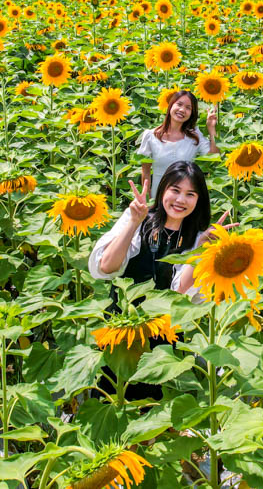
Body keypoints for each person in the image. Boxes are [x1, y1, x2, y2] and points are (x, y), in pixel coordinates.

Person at [89, 161, 234, 401]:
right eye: (175, 190)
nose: (180, 200)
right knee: (113, 395)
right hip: (122, 327)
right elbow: (106, 267)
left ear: (199, 200)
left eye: (190, 194)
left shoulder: (196, 237)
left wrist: (199, 250)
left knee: (156, 409)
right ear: (163, 189)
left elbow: (180, 294)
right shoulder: (139, 217)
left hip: (164, 337)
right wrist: (134, 222)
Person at [137, 91, 219, 195]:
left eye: (188, 108)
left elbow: (214, 157)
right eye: (179, 104)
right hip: (158, 196)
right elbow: (146, 171)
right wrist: (146, 199)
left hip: (184, 198)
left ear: (191, 113)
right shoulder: (151, 136)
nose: (182, 110)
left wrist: (211, 129)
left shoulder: (194, 136)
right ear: (171, 105)